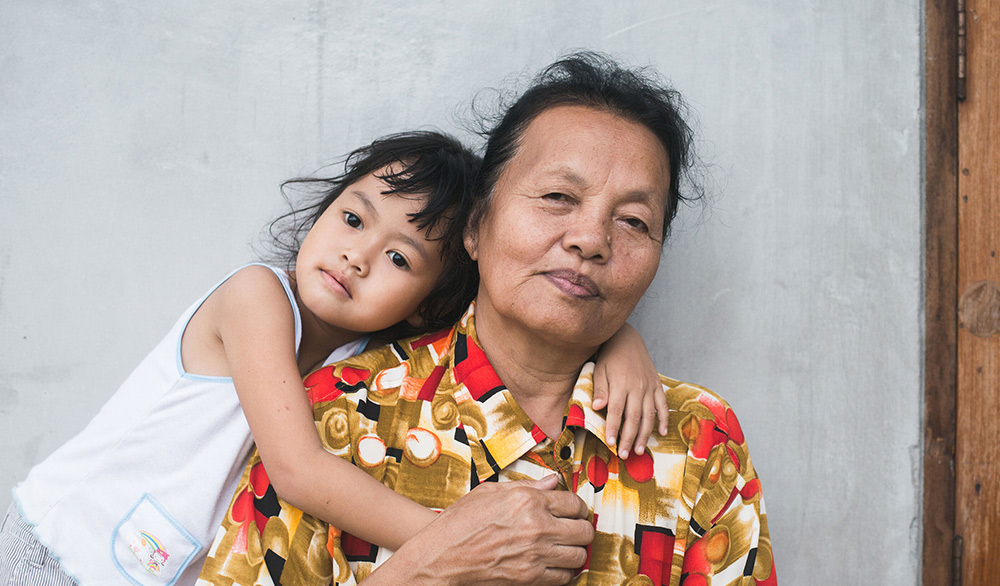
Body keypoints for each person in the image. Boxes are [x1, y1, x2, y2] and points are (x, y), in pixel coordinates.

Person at [197, 52, 776, 586]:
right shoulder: (329, 423)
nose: (590, 240)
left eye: (632, 222)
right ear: (476, 227)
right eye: (557, 197)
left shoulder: (700, 442)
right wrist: (431, 565)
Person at [1, 129, 671, 586]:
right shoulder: (255, 296)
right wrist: (455, 539)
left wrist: (617, 339)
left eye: (400, 259)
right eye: (353, 219)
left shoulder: (365, 365)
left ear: (426, 306)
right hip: (59, 551)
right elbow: (296, 470)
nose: (358, 255)